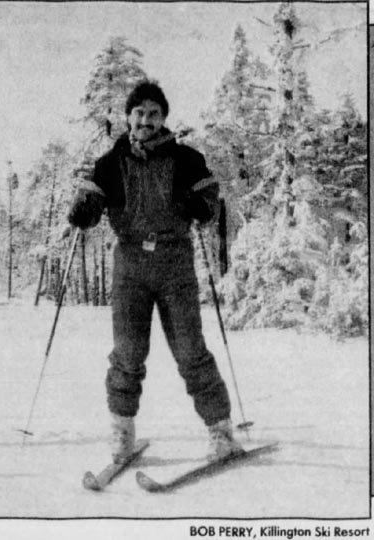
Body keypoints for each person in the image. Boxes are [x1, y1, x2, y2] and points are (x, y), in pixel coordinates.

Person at [66, 80, 242, 464]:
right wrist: (83, 211)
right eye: (140, 113)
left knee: (190, 350)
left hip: (174, 262)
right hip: (131, 264)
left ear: (164, 118)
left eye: (154, 114)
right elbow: (89, 201)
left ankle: (221, 430)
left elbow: (210, 200)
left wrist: (201, 206)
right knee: (128, 353)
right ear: (128, 116)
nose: (146, 120)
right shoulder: (110, 163)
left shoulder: (186, 159)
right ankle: (122, 431)